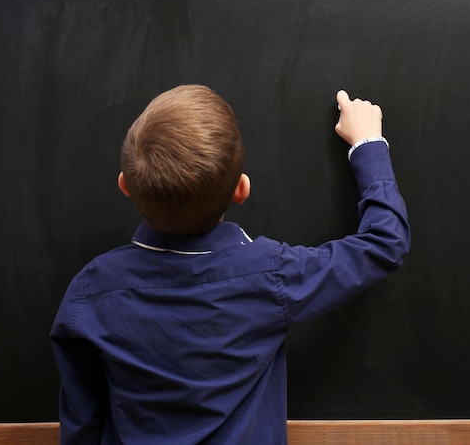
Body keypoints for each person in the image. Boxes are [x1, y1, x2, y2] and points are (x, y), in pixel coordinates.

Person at [50, 84, 410, 444]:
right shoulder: (271, 277)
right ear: (241, 189)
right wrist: (368, 145)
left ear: (125, 185)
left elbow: (82, 425)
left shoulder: (90, 293)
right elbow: (383, 244)